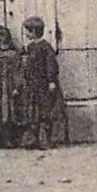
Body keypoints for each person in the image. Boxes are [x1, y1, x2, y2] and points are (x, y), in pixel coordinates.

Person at [21, 17, 67, 148]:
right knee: (33, 112)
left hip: (43, 85)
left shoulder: (45, 47)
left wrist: (51, 80)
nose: (25, 35)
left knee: (46, 111)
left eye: (27, 32)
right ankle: (33, 139)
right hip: (32, 85)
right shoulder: (29, 47)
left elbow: (51, 65)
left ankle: (46, 139)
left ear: (34, 32)